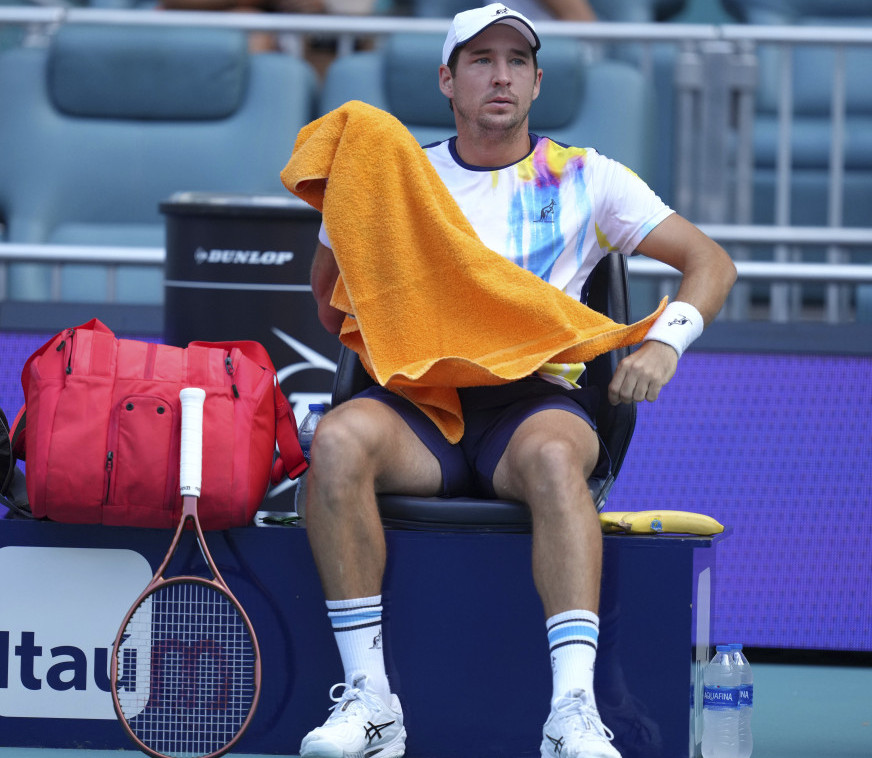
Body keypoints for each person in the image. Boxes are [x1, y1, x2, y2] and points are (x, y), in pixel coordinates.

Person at [297, 4, 737, 758]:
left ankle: (572, 713)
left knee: (557, 459)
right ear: (448, 80)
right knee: (335, 442)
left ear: (536, 82)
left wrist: (665, 345)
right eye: (480, 60)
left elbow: (711, 263)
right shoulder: (393, 181)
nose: (500, 76)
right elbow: (329, 292)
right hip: (420, 406)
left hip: (534, 404)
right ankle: (371, 703)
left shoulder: (586, 177)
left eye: (516, 62)